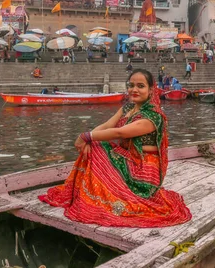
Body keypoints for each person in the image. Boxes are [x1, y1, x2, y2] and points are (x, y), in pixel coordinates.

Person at [39, 69, 192, 227]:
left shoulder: (154, 116)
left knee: (98, 146)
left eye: (140, 86)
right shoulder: (127, 108)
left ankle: (98, 194)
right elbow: (107, 125)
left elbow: (119, 132)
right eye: (131, 85)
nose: (134, 90)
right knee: (95, 145)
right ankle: (90, 192)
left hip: (144, 169)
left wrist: (86, 136)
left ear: (151, 90)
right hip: (127, 159)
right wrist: (88, 139)